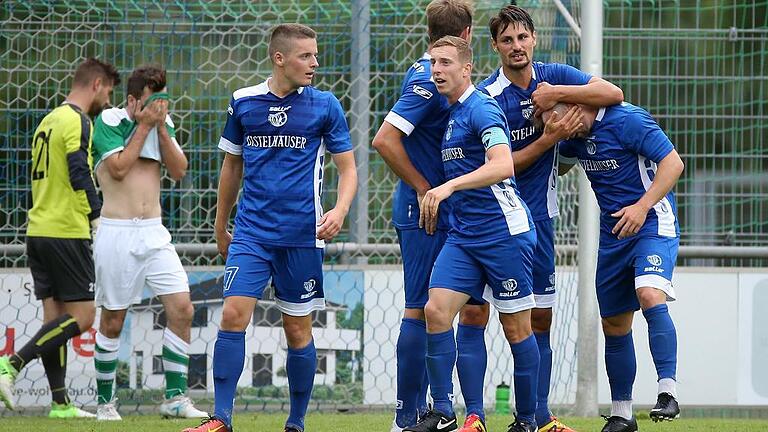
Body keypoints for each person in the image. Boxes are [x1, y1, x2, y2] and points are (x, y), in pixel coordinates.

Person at [182, 23, 357, 432]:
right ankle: (221, 418)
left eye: (315, 55)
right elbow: (232, 166)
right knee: (232, 314)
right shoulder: (243, 103)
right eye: (305, 56)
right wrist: (221, 223)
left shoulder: (325, 105)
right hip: (252, 233)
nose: (315, 63)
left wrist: (340, 210)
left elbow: (347, 168)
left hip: (302, 237)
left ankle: (295, 422)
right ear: (279, 58)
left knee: (297, 330)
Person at [476, 5, 625, 431]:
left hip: (540, 219)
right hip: (494, 221)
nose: (516, 46)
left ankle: (538, 417)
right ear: (495, 46)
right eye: (507, 40)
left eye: (522, 38)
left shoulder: (553, 74)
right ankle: (471, 414)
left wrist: (558, 93)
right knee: (475, 316)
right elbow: (502, 164)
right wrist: (549, 138)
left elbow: (612, 94)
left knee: (541, 317)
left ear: (534, 39)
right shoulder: (487, 98)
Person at [405, 36, 538, 432]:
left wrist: (447, 187)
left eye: (445, 63)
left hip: (503, 234)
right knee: (435, 311)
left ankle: (527, 420)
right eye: (432, 64)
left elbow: (503, 165)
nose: (436, 71)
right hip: (464, 236)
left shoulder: (482, 108)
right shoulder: (453, 116)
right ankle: (444, 412)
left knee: (516, 329)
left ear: (466, 69)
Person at [372, 2, 490, 431]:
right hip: (424, 212)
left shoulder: (444, 75)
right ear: (469, 32)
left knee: (470, 309)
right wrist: (424, 187)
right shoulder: (425, 78)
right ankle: (406, 418)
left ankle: (465, 414)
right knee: (419, 309)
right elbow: (384, 140)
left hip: (459, 211)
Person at [0, 58, 119, 418]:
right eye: (108, 93)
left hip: (38, 230)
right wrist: (97, 216)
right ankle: (11, 365)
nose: (108, 103)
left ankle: (61, 404)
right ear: (96, 84)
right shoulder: (77, 120)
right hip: (66, 231)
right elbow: (78, 169)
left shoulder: (49, 120)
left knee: (54, 321)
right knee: (82, 318)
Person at [557, 101, 684, 432]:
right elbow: (557, 168)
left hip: (652, 222)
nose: (551, 123)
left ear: (572, 105)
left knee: (649, 293)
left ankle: (667, 392)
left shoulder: (628, 120)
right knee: (613, 324)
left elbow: (674, 163)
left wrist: (642, 207)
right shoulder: (571, 136)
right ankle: (622, 414)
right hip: (613, 234)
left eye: (552, 116)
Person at [89, 64, 207, 421]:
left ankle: (174, 397)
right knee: (113, 320)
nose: (159, 106)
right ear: (132, 99)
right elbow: (119, 169)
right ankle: (105, 404)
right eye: (150, 99)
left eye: (162, 99)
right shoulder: (108, 121)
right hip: (117, 231)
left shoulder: (162, 125)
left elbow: (180, 169)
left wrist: (161, 129)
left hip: (154, 232)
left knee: (183, 308)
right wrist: (143, 125)